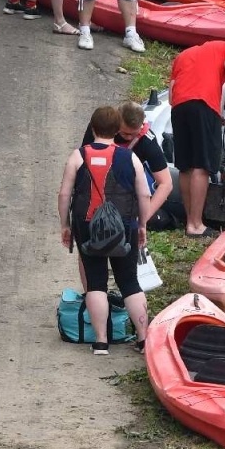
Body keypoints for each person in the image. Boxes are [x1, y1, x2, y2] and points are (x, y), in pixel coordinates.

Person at [58, 105, 153, 354]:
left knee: (96, 281)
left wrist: (65, 225)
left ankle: (101, 341)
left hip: (88, 224)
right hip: (124, 225)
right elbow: (144, 193)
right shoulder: (130, 158)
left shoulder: (79, 156)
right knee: (129, 281)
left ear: (92, 128)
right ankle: (144, 339)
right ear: (117, 130)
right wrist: (142, 224)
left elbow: (65, 193)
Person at [168, 39, 225, 238]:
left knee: (186, 165)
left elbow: (171, 94)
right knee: (203, 165)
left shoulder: (184, 54)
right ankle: (196, 224)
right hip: (203, 104)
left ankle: (189, 219)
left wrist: (213, 119)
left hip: (179, 108)